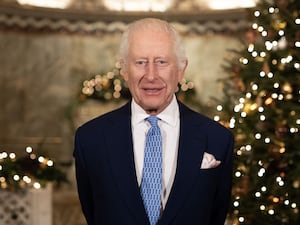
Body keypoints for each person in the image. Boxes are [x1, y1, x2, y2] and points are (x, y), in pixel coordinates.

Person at [74, 18, 234, 225]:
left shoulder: (218, 139)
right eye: (140, 62)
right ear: (124, 69)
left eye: (161, 62)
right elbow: (93, 213)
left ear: (180, 69)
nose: (151, 75)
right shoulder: (90, 140)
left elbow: (216, 215)